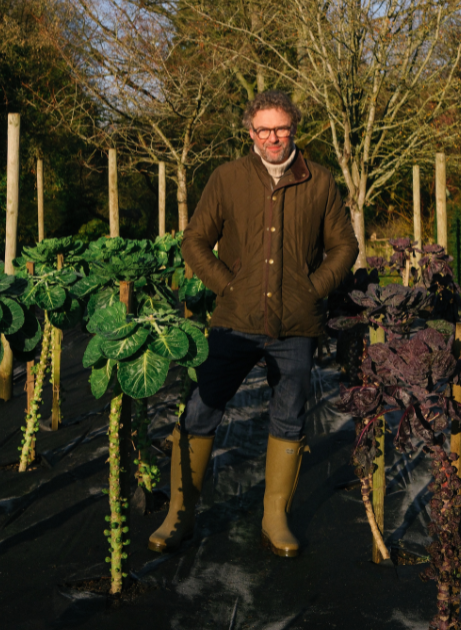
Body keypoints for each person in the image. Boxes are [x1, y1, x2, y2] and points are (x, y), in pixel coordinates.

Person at [148, 90, 359, 557]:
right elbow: (195, 240)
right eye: (263, 129)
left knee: (289, 416)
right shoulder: (227, 179)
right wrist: (228, 286)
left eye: (281, 128)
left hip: (295, 326)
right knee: (202, 408)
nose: (272, 138)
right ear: (250, 133)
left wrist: (313, 287)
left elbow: (345, 246)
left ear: (294, 130)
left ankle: (275, 516)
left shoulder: (320, 183)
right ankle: (178, 514)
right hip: (233, 321)